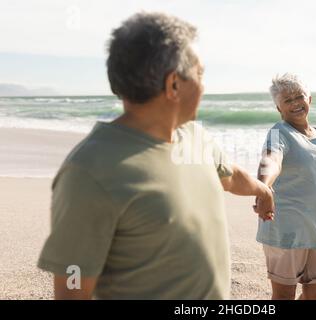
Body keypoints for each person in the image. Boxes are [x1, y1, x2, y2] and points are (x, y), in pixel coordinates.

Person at [37, 12, 274, 300]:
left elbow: (228, 175)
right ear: (174, 84)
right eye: (200, 74)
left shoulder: (194, 136)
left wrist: (262, 190)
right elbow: (71, 287)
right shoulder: (90, 172)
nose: (205, 86)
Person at [254, 73, 316, 300]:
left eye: (299, 96)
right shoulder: (280, 132)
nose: (295, 103)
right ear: (279, 108)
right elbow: (271, 159)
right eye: (287, 100)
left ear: (310, 100)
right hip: (287, 230)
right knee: (284, 294)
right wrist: (264, 188)